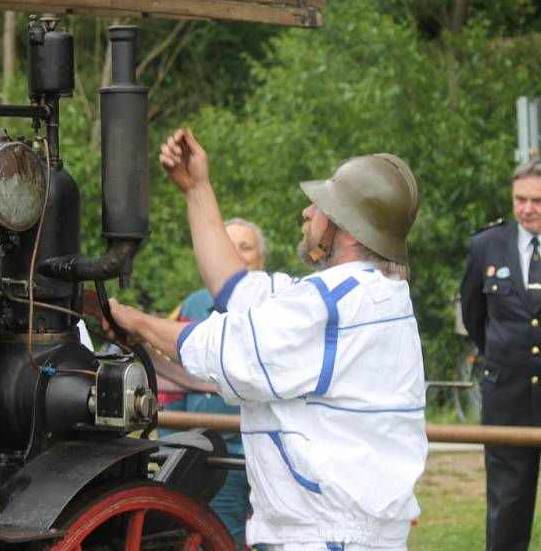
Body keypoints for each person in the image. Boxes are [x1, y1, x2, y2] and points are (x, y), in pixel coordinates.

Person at [105, 129, 427, 551]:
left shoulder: (332, 305)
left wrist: (134, 320)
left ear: (345, 228)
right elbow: (238, 288)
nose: (308, 212)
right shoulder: (367, 294)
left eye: (322, 207)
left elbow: (227, 348)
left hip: (328, 540)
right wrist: (197, 188)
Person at [156, 217, 267, 548]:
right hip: (214, 457)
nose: (235, 254)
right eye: (227, 246)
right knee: (222, 541)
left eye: (245, 247)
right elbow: (168, 387)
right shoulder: (191, 306)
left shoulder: (283, 308)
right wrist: (171, 448)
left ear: (261, 260)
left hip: (269, 453)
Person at [460, 158, 541, 551]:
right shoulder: (486, 246)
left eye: (537, 201)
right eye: (520, 199)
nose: (527, 208)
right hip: (507, 398)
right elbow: (475, 317)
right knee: (507, 506)